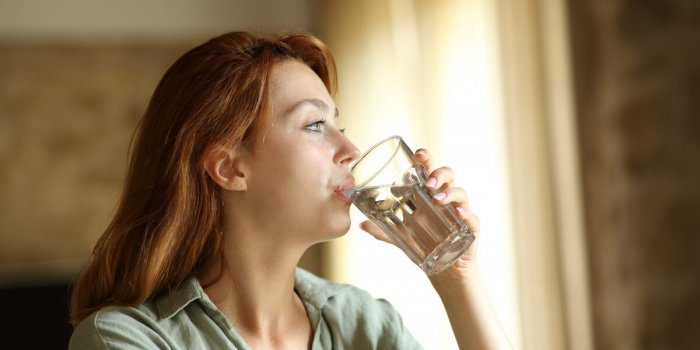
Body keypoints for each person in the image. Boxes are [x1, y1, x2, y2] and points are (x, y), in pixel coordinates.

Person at [69, 31, 513, 350]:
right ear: (229, 168)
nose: (350, 150)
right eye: (315, 125)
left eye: (340, 125)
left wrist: (457, 277)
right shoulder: (127, 340)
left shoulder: (362, 323)